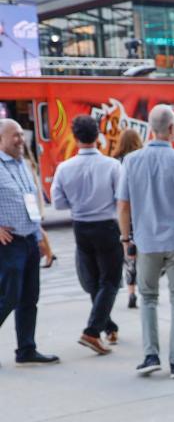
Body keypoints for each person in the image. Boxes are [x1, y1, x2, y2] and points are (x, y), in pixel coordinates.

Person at [117, 105, 174, 378]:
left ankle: (150, 355)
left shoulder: (131, 161)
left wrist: (125, 239)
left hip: (146, 242)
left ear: (151, 128)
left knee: (148, 298)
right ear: (171, 129)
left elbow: (123, 205)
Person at [51, 115, 123, 355]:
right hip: (106, 225)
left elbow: (58, 203)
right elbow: (120, 199)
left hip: (80, 226)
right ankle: (92, 331)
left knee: (94, 281)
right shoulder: (112, 165)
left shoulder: (64, 168)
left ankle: (108, 326)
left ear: (75, 137)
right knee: (110, 281)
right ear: (98, 135)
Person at [0, 118, 60, 366]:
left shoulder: (23, 164)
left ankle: (26, 349)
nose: (20, 140)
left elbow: (30, 202)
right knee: (8, 297)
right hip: (9, 243)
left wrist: (41, 237)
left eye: (21, 135)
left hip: (29, 240)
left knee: (29, 297)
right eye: (14, 135)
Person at [113, 128, 143, 309]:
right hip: (140, 215)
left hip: (124, 215)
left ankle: (131, 292)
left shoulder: (116, 162)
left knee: (129, 255)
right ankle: (145, 285)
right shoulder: (141, 161)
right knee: (143, 254)